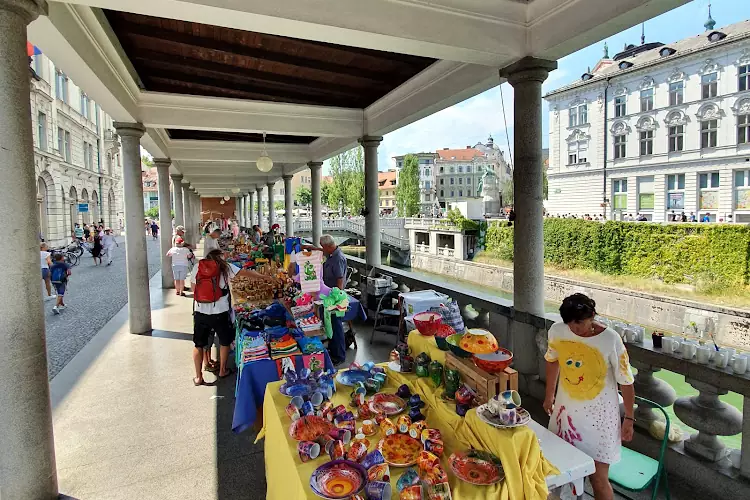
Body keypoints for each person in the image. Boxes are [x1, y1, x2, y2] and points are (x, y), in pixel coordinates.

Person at [543, 293, 635, 500]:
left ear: (592, 316)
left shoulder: (610, 339)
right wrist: (549, 395)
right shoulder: (558, 331)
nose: (575, 328)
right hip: (566, 415)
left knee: (598, 479)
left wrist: (629, 417)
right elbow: (552, 360)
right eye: (570, 323)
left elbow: (626, 382)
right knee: (556, 469)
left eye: (580, 322)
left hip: (600, 420)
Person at [189, 249, 239, 384]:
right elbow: (244, 273)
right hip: (220, 312)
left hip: (200, 311)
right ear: (220, 257)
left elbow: (194, 289)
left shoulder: (197, 267)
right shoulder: (225, 267)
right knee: (224, 341)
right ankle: (223, 370)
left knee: (198, 344)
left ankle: (199, 377)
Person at [320, 234, 348, 365]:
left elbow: (340, 280)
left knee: (336, 327)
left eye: (322, 247)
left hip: (335, 297)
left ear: (328, 246)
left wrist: (336, 300)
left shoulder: (338, 258)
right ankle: (333, 350)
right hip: (329, 296)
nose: (322, 249)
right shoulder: (331, 254)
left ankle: (340, 356)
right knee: (330, 325)